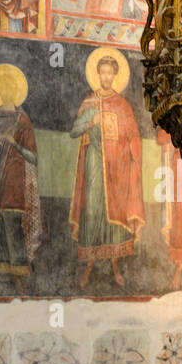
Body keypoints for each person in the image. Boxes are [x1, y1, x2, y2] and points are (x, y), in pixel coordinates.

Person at [69, 55, 145, 287]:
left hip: (117, 165)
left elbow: (133, 135)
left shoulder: (122, 105)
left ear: (114, 75)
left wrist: (131, 152)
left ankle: (114, 264)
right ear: (98, 75)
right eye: (102, 72)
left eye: (110, 73)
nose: (106, 77)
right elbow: (74, 131)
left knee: (115, 209)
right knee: (93, 209)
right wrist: (91, 122)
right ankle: (90, 263)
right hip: (94, 161)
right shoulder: (90, 102)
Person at [0, 70, 41, 295]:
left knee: (12, 227)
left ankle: (18, 282)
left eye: (9, 88)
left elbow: (33, 157)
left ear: (15, 91)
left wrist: (14, 143)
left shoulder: (22, 120)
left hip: (14, 180)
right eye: (2, 88)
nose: (6, 92)